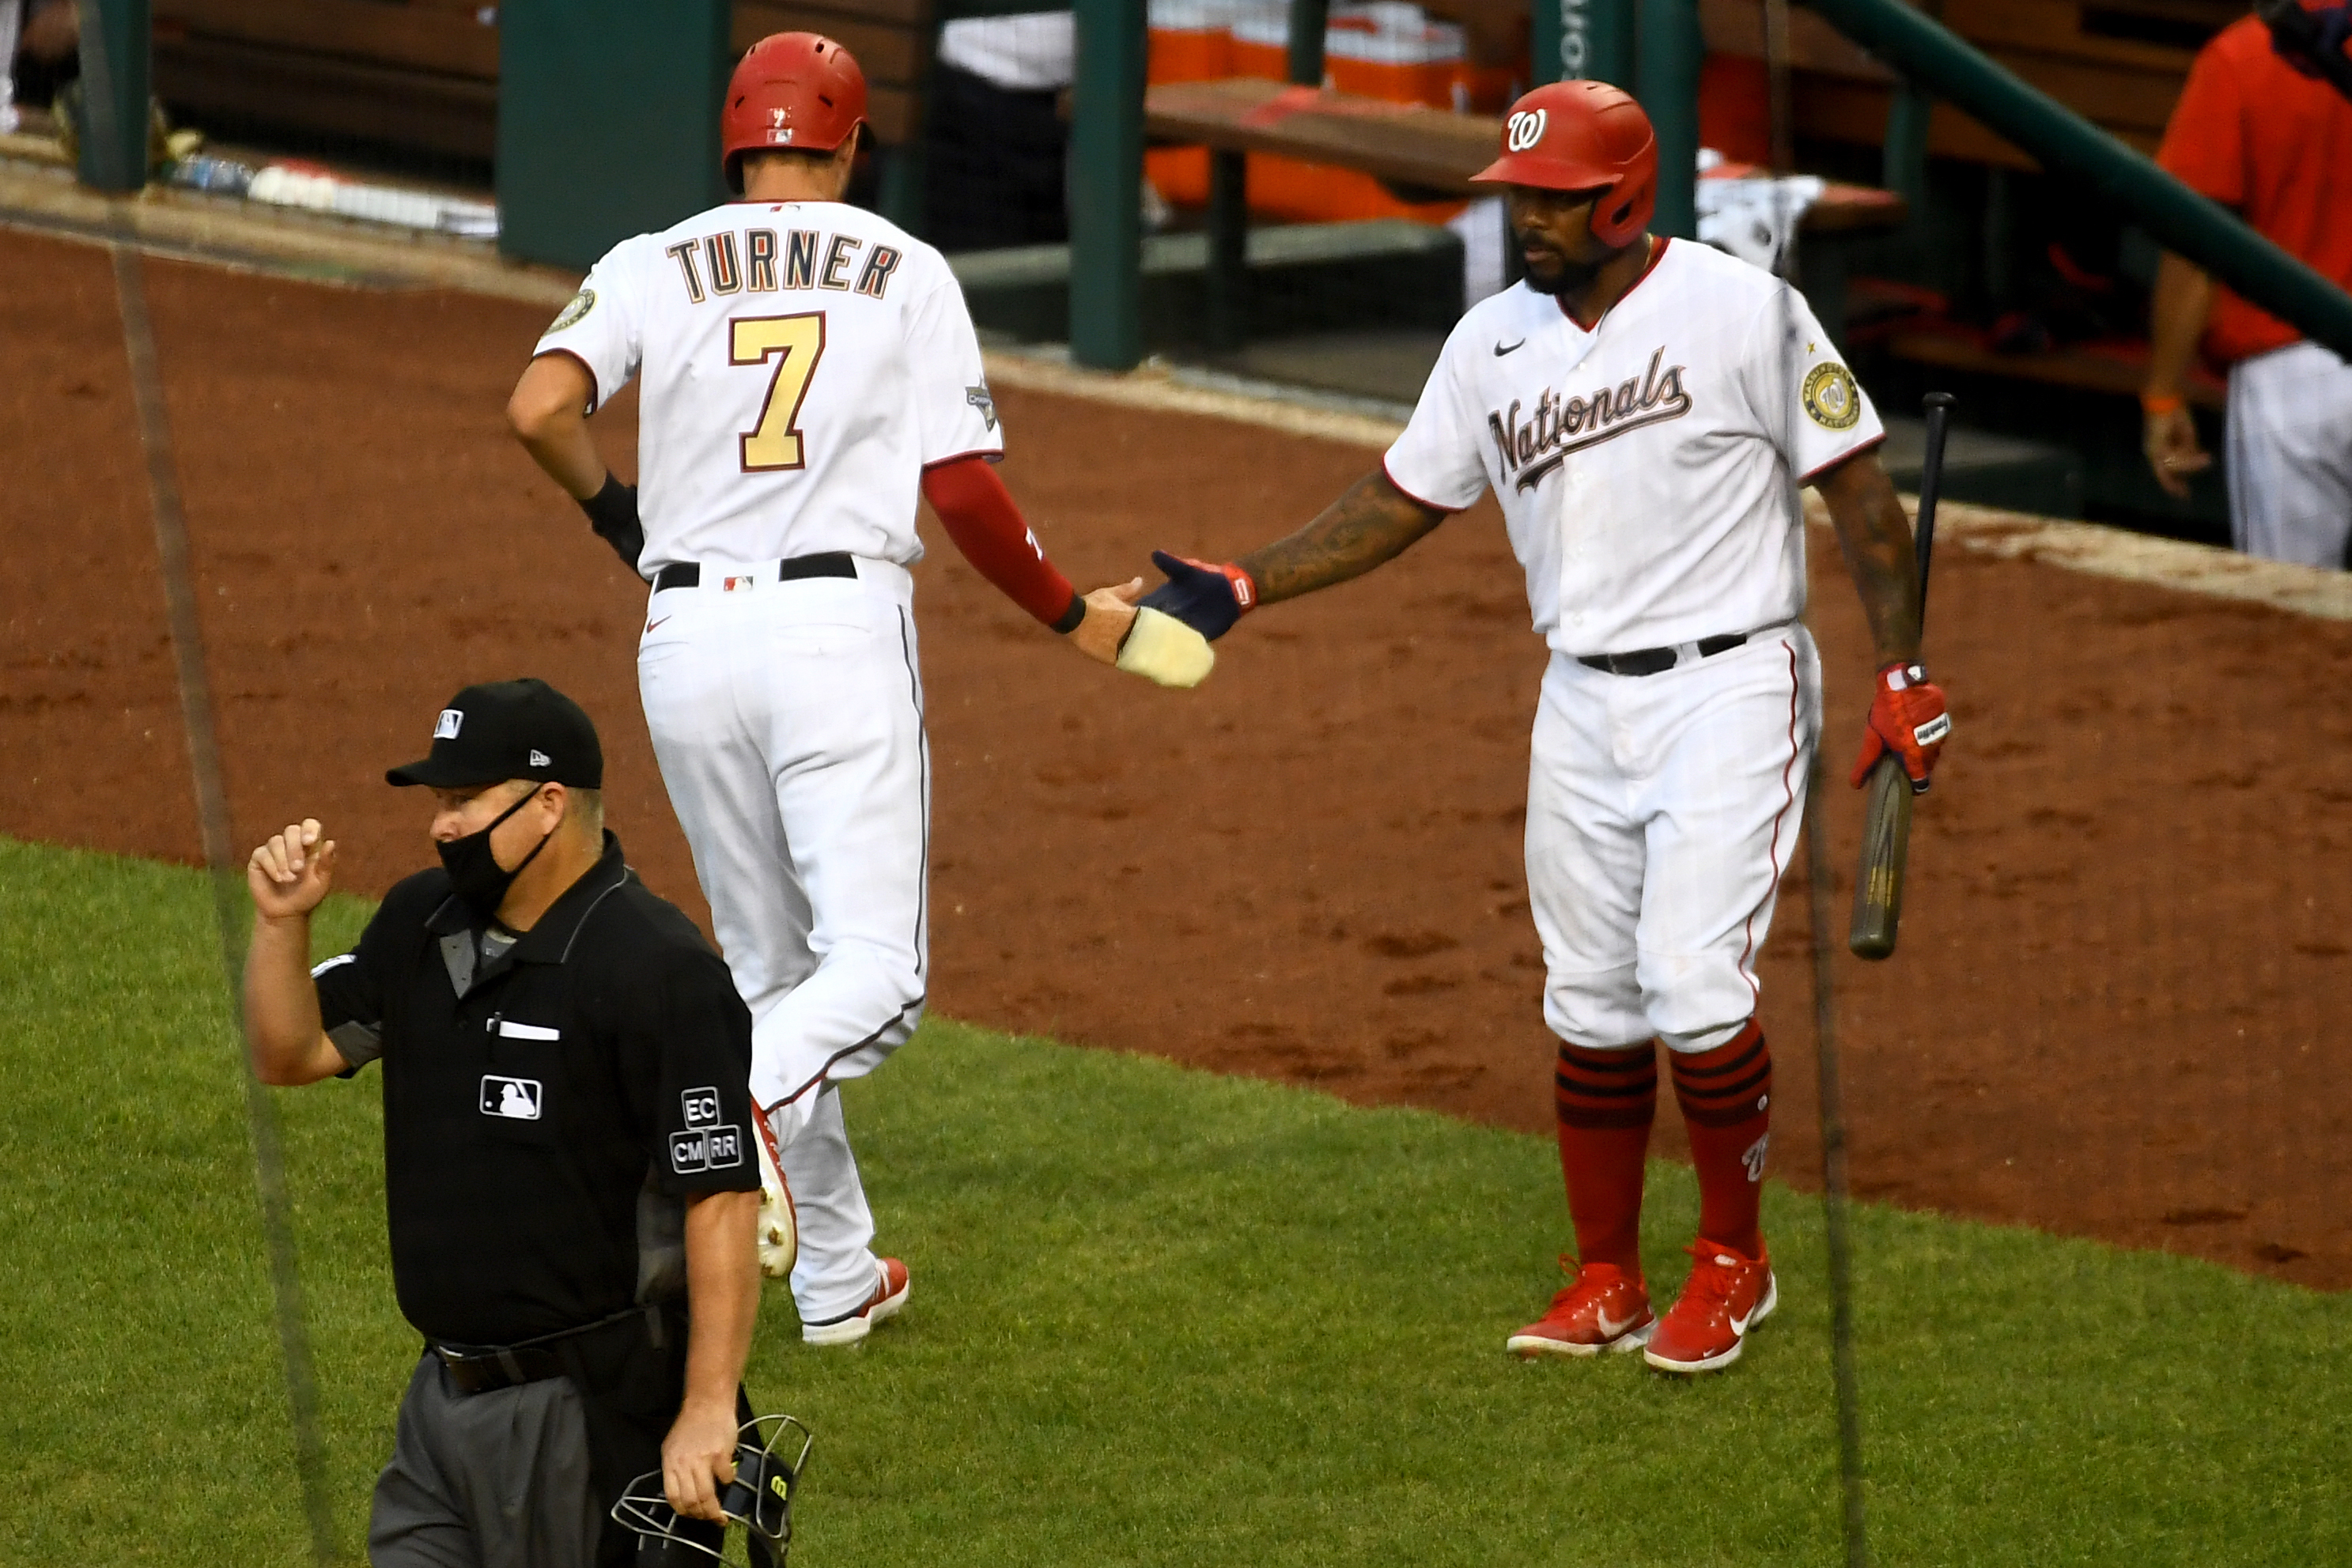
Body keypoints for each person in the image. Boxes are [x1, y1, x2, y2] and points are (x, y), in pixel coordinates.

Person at [1133, 81, 1949, 1373]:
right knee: (1588, 998)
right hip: (1575, 695)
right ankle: (1604, 1275)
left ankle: (1734, 1262)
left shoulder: (1743, 315)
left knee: (1690, 980)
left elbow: (1858, 497)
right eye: (1516, 195)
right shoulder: (1489, 344)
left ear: (1618, 195)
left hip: (1727, 685)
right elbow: (1400, 497)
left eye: (1549, 197)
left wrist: (1901, 668)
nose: (1525, 218)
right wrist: (1246, 581)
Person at [507, 34, 1185, 1347]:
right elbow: (963, 488)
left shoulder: (651, 258)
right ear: (851, 145)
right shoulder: (903, 269)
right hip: (831, 634)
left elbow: (537, 406)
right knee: (875, 974)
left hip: (685, 638)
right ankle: (726, 1101)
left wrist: (620, 521)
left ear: (733, 141)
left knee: (769, 968)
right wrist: (1067, 614)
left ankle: (833, 1274)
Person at [241, 678, 767, 1565]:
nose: (439, 826)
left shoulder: (656, 968)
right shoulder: (420, 922)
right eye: (437, 803)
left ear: (548, 803)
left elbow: (720, 1197)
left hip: (584, 1418)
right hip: (439, 1402)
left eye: (462, 801)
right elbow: (289, 1054)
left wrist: (709, 1407)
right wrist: (279, 925)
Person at [2142, 0, 2352, 569]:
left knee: (2292, 611)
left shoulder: (2244, 53)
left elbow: (2194, 244)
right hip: (2294, 362)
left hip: (2289, 375)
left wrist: (2164, 391)